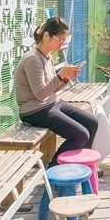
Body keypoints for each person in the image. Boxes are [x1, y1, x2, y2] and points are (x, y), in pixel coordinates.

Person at [14, 15, 99, 167]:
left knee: (91, 123)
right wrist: (60, 75)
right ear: (46, 36)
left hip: (51, 103)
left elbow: (51, 89)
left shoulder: (47, 56)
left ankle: (83, 165)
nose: (62, 44)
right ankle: (54, 169)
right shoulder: (33, 59)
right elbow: (40, 95)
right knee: (81, 135)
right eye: (60, 40)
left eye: (65, 40)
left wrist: (66, 78)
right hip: (35, 111)